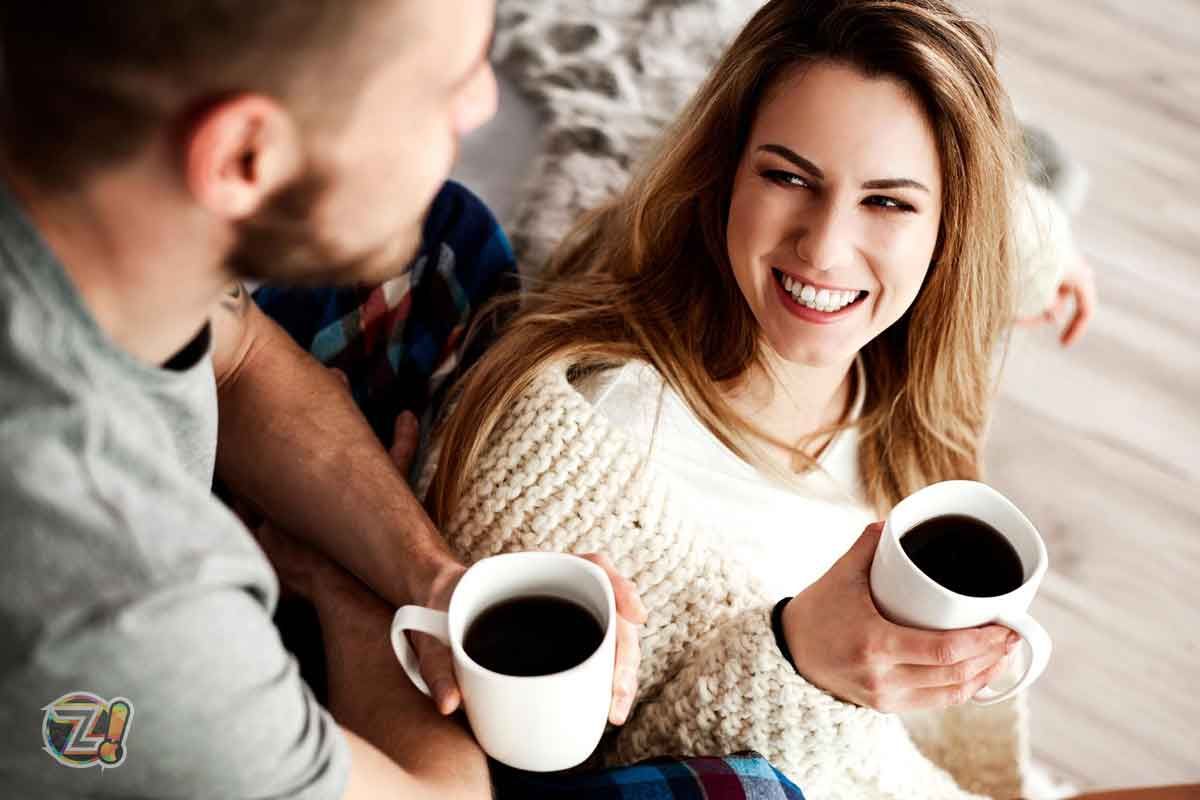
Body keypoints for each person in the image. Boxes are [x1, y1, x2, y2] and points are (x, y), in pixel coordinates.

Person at [416, 0, 1098, 798]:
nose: (825, 247)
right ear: (724, 173)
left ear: (952, 230)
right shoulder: (586, 465)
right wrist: (803, 664)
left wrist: (1053, 258)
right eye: (786, 177)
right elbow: (614, 780)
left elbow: (1005, 219)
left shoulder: (905, 369)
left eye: (888, 202)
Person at [0, 2, 651, 797]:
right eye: (446, 81)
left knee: (445, 235)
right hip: (113, 703)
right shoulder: (128, 609)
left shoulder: (76, 188)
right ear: (244, 155)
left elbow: (233, 356)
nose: (485, 102)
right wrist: (351, 602)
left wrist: (435, 585)